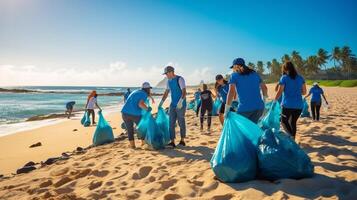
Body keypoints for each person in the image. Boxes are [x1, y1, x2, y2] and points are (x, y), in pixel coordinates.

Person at [225, 58, 268, 123]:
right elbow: (264, 88)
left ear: (237, 66)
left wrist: (227, 109)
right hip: (259, 107)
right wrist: (264, 102)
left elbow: (231, 92)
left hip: (244, 109)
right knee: (253, 129)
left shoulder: (234, 75)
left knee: (241, 131)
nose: (233, 69)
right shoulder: (255, 74)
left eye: (233, 67)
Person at [275, 61, 307, 139]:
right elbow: (304, 92)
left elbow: (280, 91)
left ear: (285, 69)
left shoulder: (284, 78)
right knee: (293, 122)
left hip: (287, 105)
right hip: (299, 105)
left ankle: (291, 137)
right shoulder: (300, 78)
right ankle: (293, 138)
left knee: (283, 122)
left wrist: (274, 101)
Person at [159, 66, 187, 147]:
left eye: (166, 74)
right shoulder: (168, 81)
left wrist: (181, 101)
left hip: (181, 104)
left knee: (181, 122)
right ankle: (172, 142)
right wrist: (161, 102)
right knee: (171, 123)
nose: (166, 75)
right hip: (173, 104)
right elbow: (166, 92)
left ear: (171, 72)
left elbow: (184, 92)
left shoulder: (180, 79)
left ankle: (182, 140)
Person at [121, 82, 152, 149]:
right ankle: (143, 144)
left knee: (130, 130)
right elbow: (140, 104)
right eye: (149, 89)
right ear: (148, 89)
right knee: (142, 128)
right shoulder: (144, 94)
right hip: (135, 114)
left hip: (124, 113)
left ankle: (132, 146)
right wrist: (148, 109)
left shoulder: (135, 91)